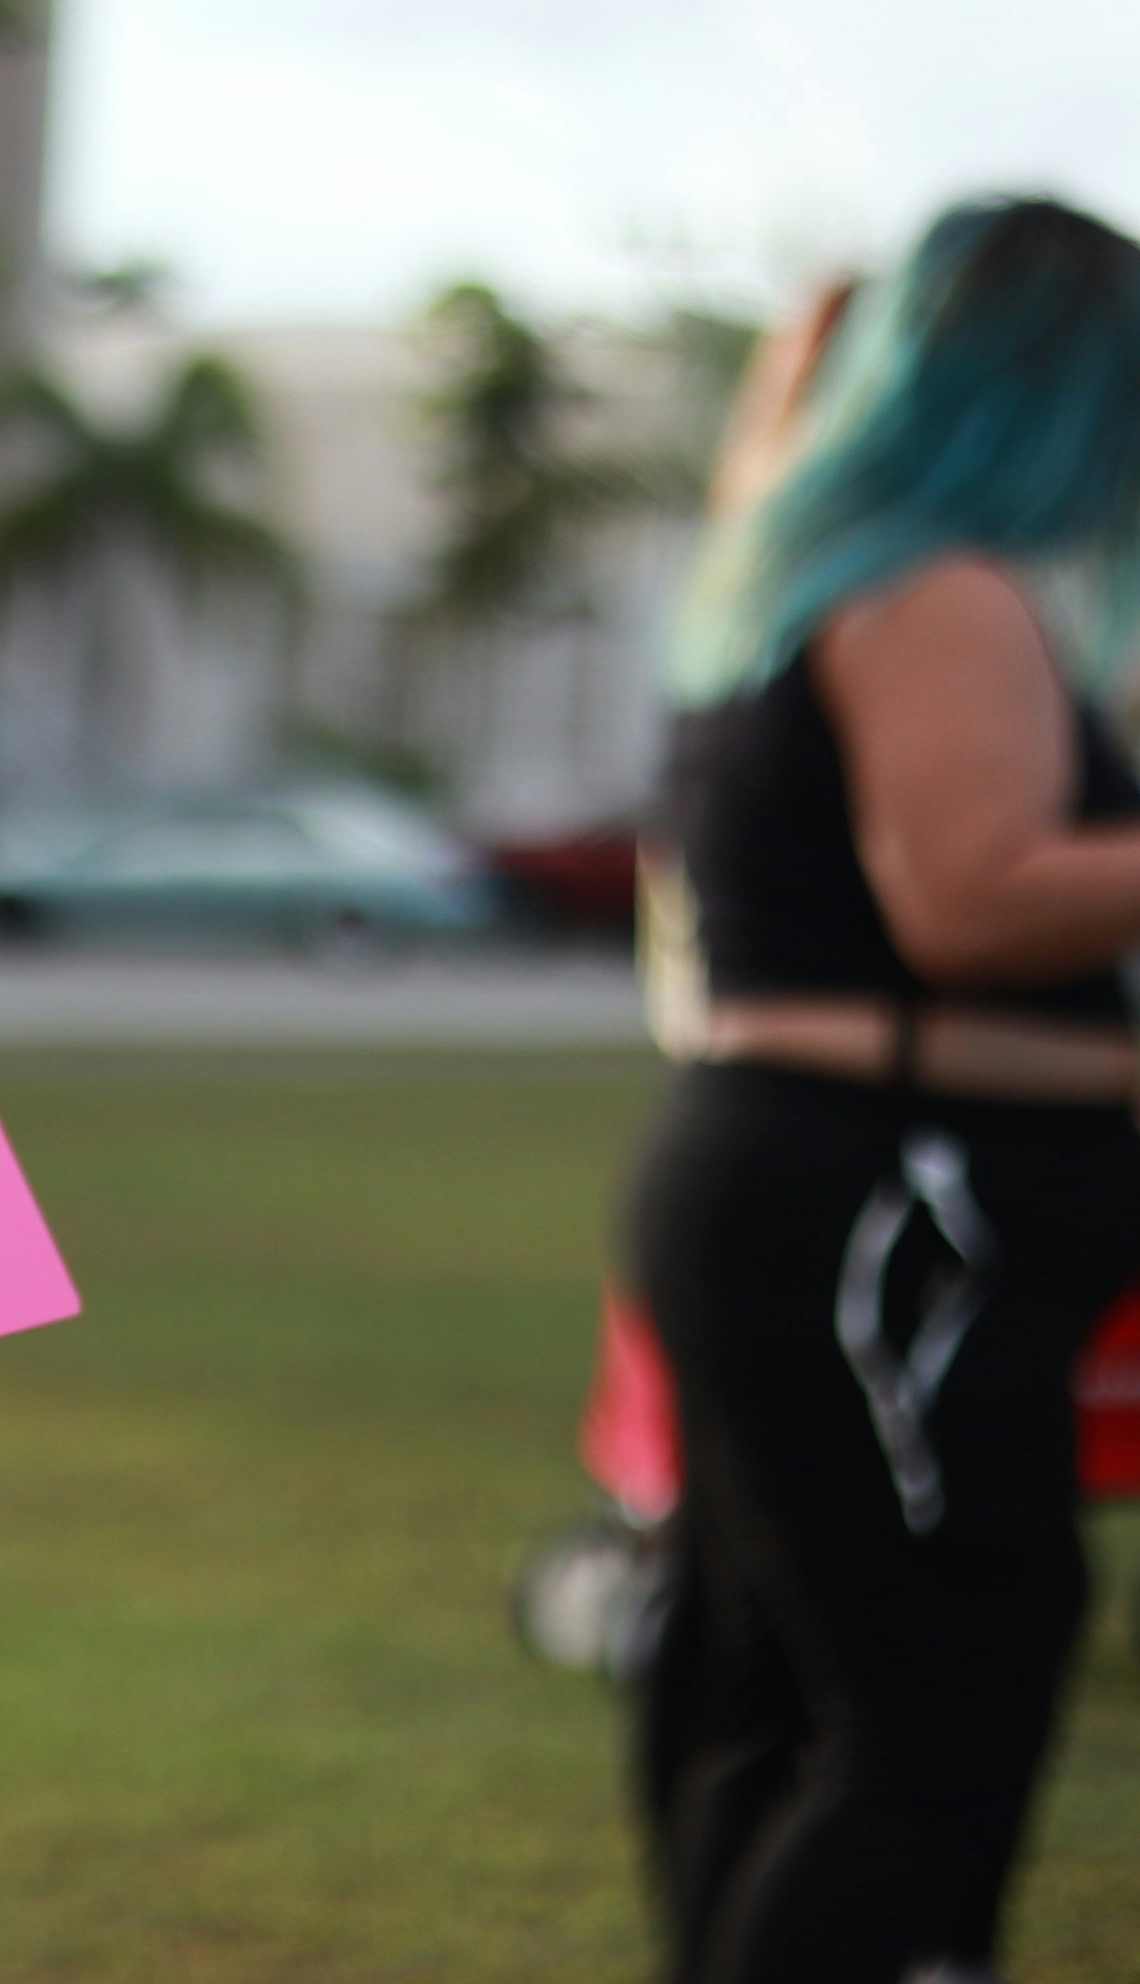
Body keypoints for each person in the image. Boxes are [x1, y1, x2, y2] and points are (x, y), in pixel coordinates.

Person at [628, 195, 1140, 1984]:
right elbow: (977, 893)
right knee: (932, 1716)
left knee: (786, 1693)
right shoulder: (937, 590)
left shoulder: (816, 570)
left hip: (828, 1188)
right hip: (898, 1203)